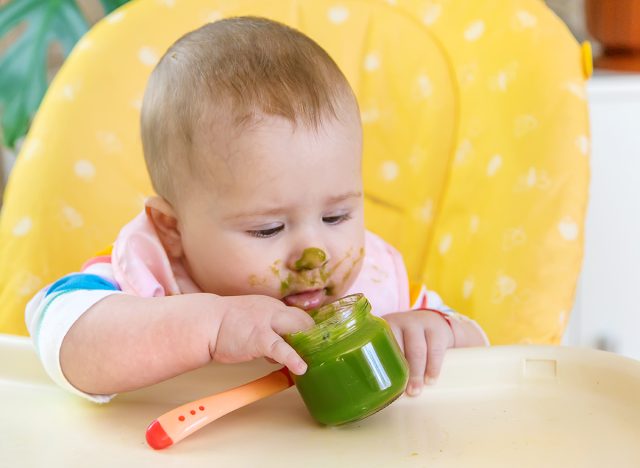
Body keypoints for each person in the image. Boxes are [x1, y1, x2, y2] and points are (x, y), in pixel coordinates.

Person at [26, 17, 488, 404]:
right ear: (172, 229)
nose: (315, 254)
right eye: (268, 229)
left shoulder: (375, 287)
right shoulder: (149, 278)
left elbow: (487, 364)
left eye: (336, 217)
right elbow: (60, 336)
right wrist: (211, 326)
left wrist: (434, 334)